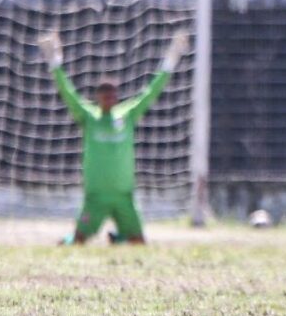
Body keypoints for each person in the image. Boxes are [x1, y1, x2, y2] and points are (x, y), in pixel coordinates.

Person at [38, 29, 189, 245]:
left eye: (113, 94)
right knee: (78, 241)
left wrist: (172, 58)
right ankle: (81, 239)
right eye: (105, 94)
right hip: (96, 196)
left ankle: (120, 239)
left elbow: (152, 92)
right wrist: (55, 62)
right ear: (98, 97)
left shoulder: (127, 115)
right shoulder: (89, 116)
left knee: (139, 242)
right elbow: (67, 92)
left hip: (123, 195)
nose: (109, 98)